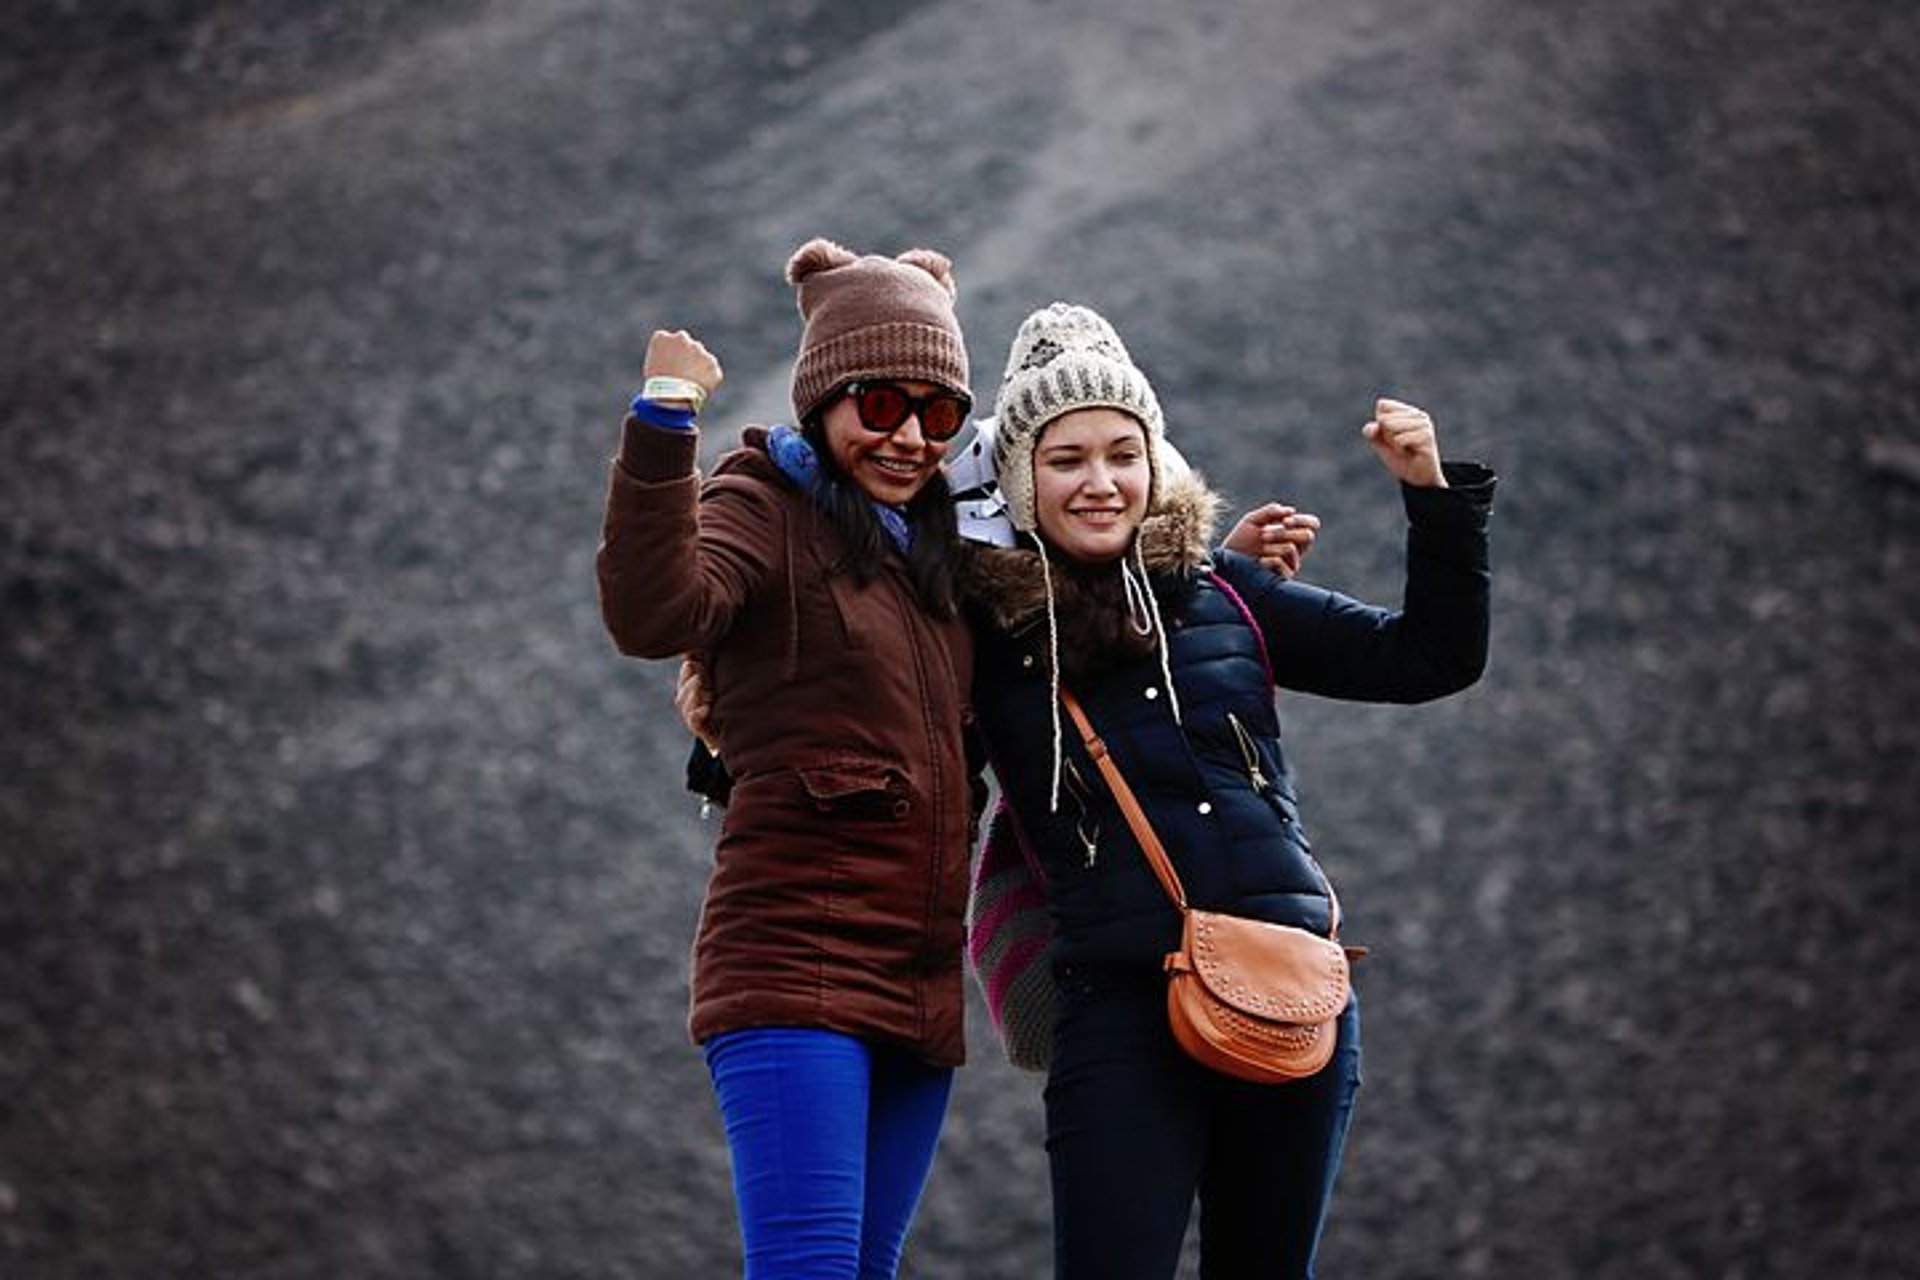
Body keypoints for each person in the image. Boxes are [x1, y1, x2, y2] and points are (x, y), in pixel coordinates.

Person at [957, 302, 1495, 1278]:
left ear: (1154, 459)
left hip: (1295, 991)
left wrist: (1432, 493)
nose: (1099, 480)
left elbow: (1430, 656)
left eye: (1123, 452)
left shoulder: (1225, 590)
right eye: (1065, 456)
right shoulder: (987, 632)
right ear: (1018, 476)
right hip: (1121, 1011)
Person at [596, 237, 980, 1279]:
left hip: (916, 988)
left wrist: (1232, 573)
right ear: (823, 399)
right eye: (880, 405)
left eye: (938, 412)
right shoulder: (761, 504)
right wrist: (667, 414)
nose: (909, 437)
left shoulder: (939, 551)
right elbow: (652, 608)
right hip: (791, 969)